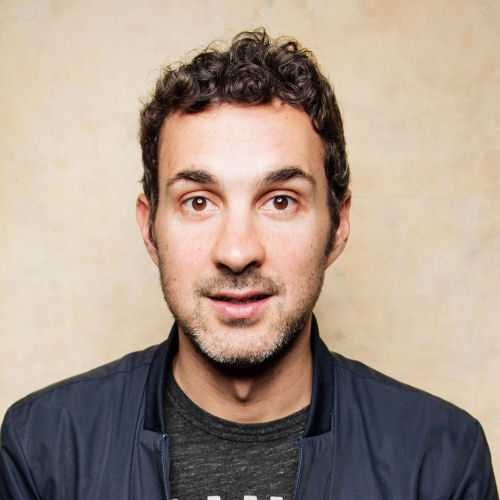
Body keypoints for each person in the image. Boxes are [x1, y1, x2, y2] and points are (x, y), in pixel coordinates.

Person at [0, 29, 497, 500]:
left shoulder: (441, 460)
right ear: (150, 228)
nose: (237, 252)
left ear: (338, 225)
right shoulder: (42, 449)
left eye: (280, 201)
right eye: (199, 202)